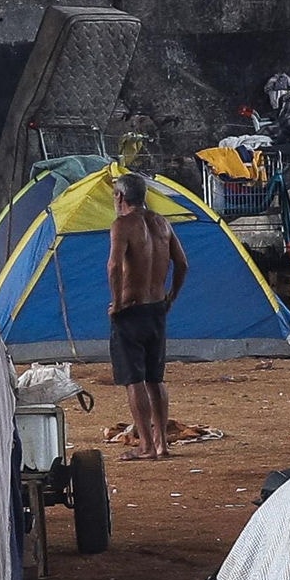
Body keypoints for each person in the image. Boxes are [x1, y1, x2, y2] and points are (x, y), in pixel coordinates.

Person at [107, 171, 188, 461]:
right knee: (156, 378)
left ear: (120, 196)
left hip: (132, 309)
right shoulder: (162, 223)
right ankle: (162, 443)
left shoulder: (122, 225)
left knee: (134, 379)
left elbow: (115, 266)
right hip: (156, 308)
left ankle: (145, 446)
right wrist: (170, 298)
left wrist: (117, 303)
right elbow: (182, 264)